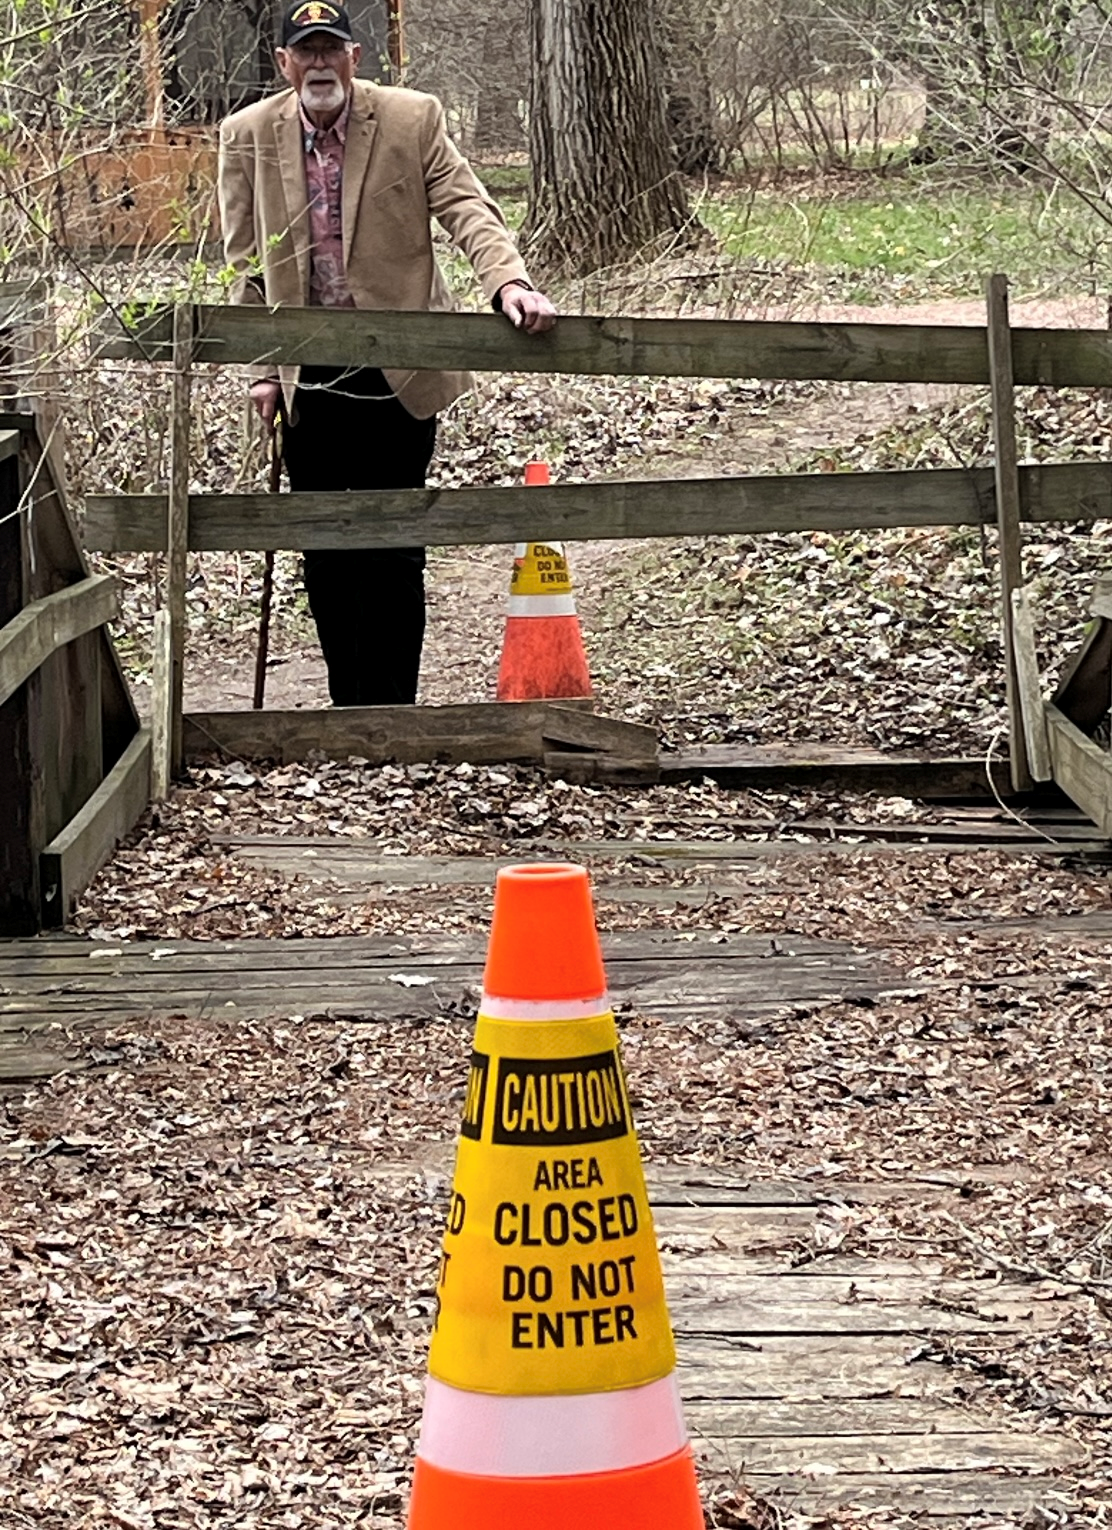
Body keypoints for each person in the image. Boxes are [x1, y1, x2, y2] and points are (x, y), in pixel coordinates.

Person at [217, 0, 556, 706]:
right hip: (307, 371)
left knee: (394, 544)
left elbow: (467, 206)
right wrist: (258, 370)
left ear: (354, 58)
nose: (318, 64)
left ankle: (393, 710)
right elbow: (242, 264)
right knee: (325, 547)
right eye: (304, 52)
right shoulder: (244, 136)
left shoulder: (412, 117)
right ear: (283, 64)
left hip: (402, 365)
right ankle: (350, 709)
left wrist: (509, 283)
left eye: (330, 49)